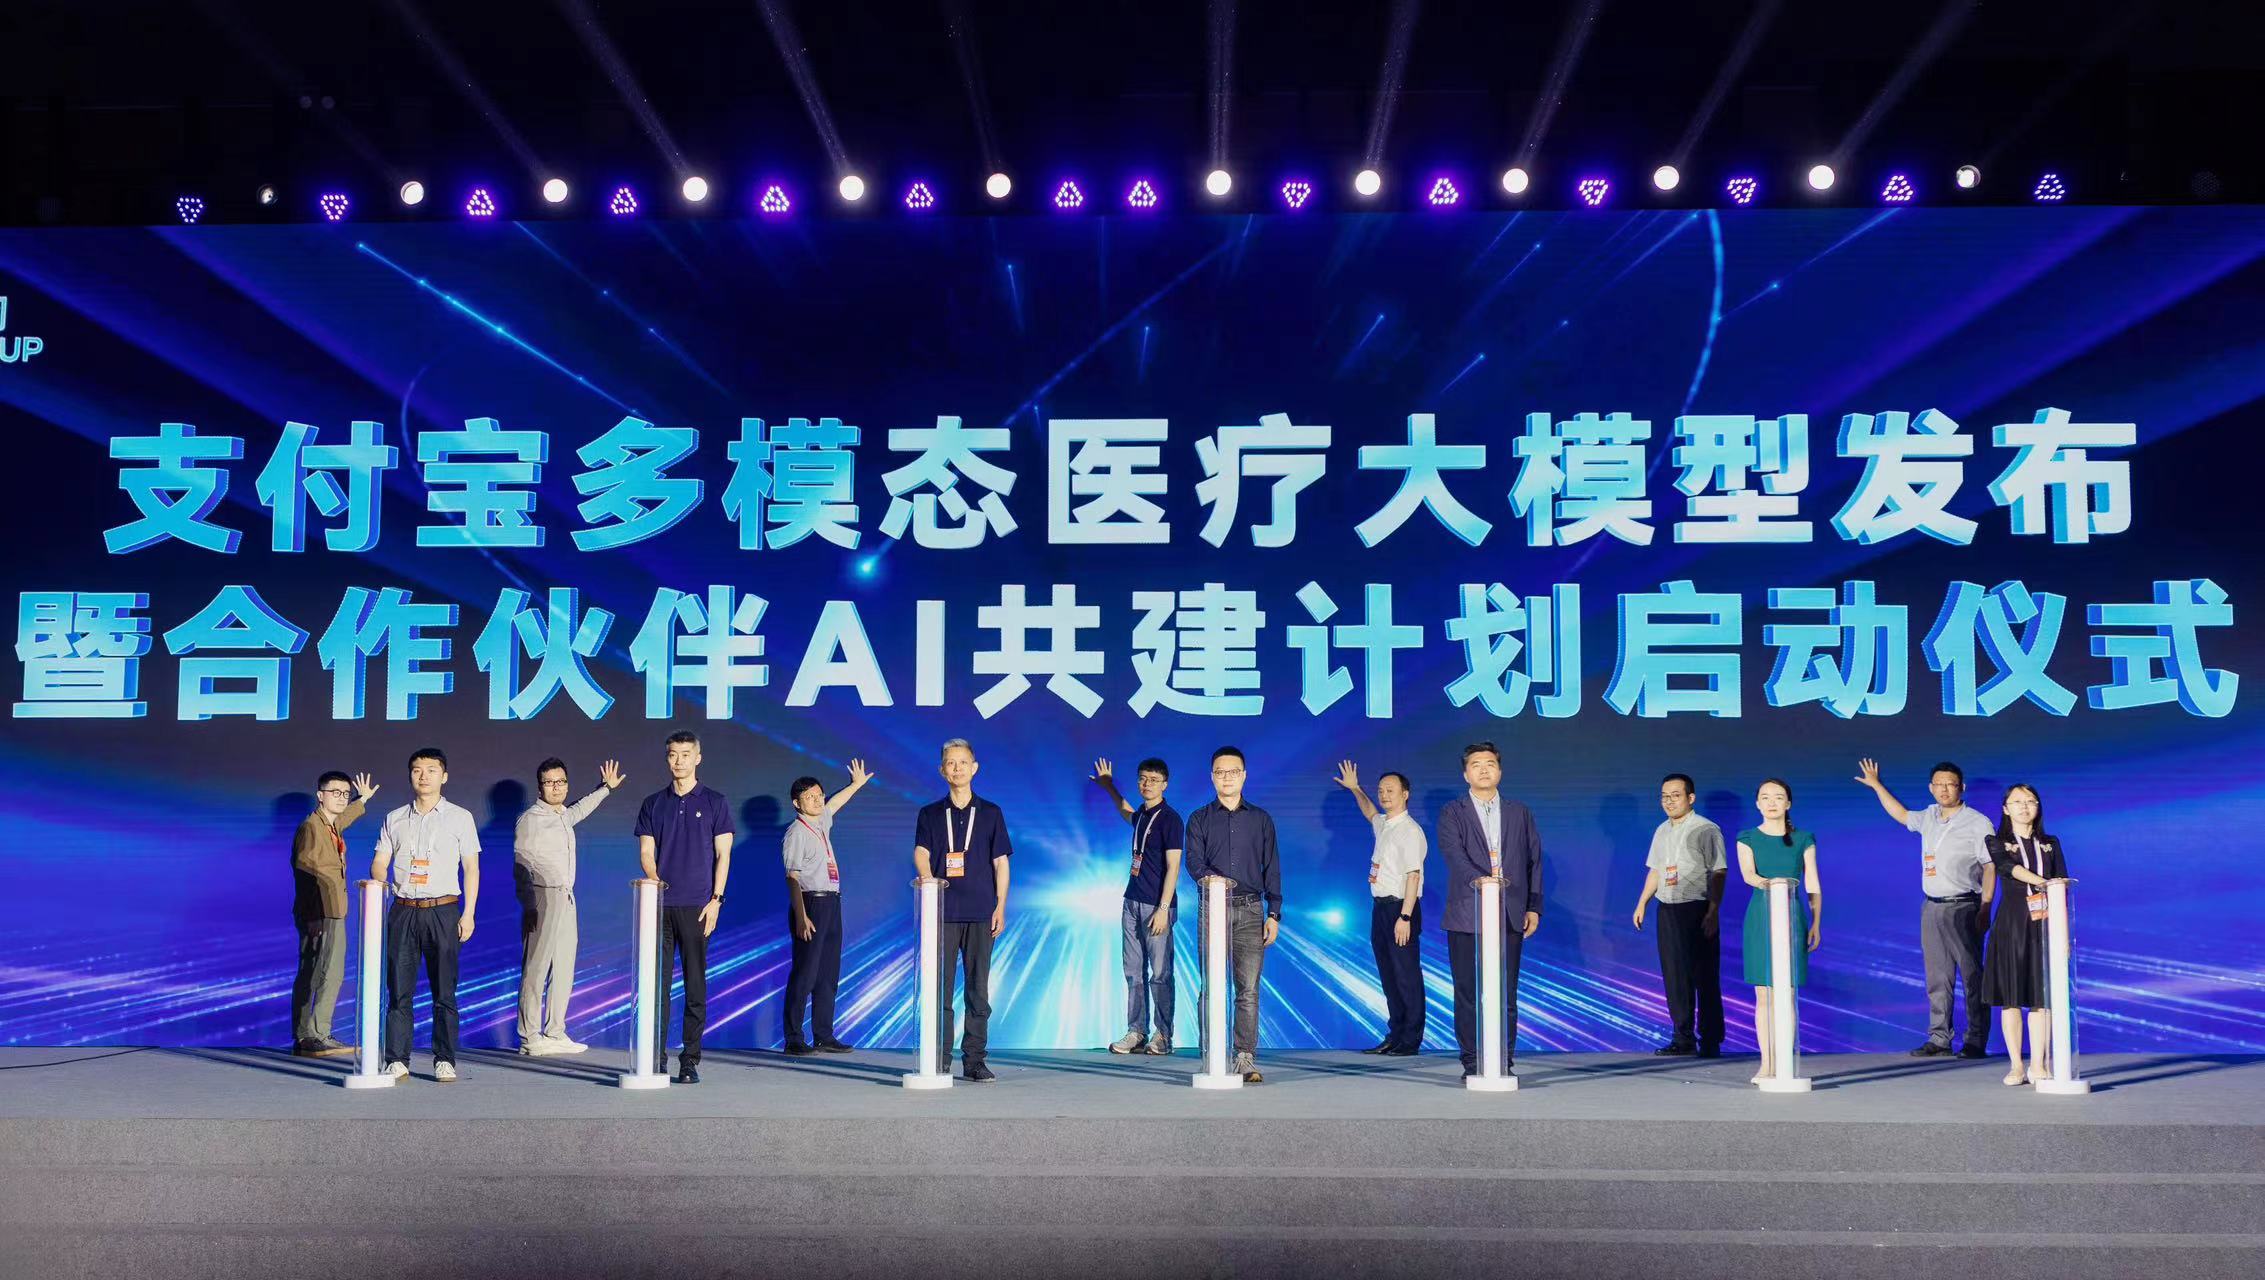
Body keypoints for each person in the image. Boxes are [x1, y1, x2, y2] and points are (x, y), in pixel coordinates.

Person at [1856, 758, 1997, 1058]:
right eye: (1939, 784)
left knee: (1972, 976)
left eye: (1951, 784)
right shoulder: (1930, 815)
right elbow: (1901, 814)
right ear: (1931, 788)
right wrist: (1877, 785)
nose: (1944, 789)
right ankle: (1939, 1038)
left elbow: (1990, 866)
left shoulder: (1978, 822)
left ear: (1961, 787)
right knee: (1937, 977)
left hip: (1964, 906)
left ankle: (1975, 1040)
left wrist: (1986, 907)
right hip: (1931, 906)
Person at [369, 747, 480, 1083]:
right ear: (410, 775)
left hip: (443, 911)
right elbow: (380, 861)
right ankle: (397, 1058)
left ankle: (444, 1059)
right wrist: (381, 879)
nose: (424, 776)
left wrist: (468, 914)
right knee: (398, 990)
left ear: (444, 776)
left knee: (444, 990)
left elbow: (471, 868)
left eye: (431, 770)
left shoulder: (460, 817)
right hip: (403, 910)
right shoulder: (394, 818)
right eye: (417, 770)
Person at [1433, 741, 1541, 1079]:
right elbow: (1453, 854)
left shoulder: (1518, 812)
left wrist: (1533, 906)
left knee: (1506, 992)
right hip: (1466, 912)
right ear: (1466, 774)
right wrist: (1479, 880)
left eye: (1490, 763)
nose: (1484, 769)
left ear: (1500, 771)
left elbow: (1533, 860)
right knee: (1467, 992)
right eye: (1476, 764)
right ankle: (1472, 1061)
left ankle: (1503, 1061)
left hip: (1509, 912)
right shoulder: (1453, 812)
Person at [635, 731, 733, 1085]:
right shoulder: (653, 803)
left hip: (698, 907)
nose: (679, 761)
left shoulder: (715, 802)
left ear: (698, 758)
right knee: (657, 986)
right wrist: (656, 883)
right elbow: (647, 852)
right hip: (660, 907)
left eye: (686, 754)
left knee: (695, 985)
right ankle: (655, 1058)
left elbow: (723, 855)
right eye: (673, 754)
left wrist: (716, 900)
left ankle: (689, 1060)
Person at [912, 738, 1012, 1082]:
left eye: (963, 762)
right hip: (941, 912)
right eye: (950, 763)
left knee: (977, 991)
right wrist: (928, 881)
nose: (957, 768)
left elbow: (1001, 863)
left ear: (974, 767)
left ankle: (974, 1061)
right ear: (942, 770)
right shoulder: (929, 813)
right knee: (939, 990)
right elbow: (922, 852)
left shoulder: (991, 813)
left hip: (982, 911)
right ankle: (938, 1060)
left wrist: (1000, 905)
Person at [512, 757, 624, 1056]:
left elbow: (580, 808)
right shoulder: (531, 819)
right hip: (542, 897)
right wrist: (529, 904)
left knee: (563, 968)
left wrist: (606, 788)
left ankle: (555, 1031)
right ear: (540, 787)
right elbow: (521, 866)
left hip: (566, 897)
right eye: (550, 782)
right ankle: (529, 1037)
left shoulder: (562, 815)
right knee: (536, 969)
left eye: (561, 782)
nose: (556, 787)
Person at [1183, 745, 1281, 1084]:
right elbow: (1193, 862)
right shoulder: (1199, 819)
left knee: (1248, 989)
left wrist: (1274, 913)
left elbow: (1272, 867)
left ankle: (1244, 1057)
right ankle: (1212, 1055)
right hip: (1212, 908)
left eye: (1233, 771)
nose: (1227, 777)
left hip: (1252, 910)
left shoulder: (1261, 819)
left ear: (1244, 775)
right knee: (1211, 986)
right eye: (1220, 772)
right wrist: (1213, 881)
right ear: (1212, 777)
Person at [781, 758, 875, 1055]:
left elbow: (835, 803)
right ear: (796, 803)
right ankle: (794, 1038)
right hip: (810, 903)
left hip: (832, 902)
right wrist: (801, 916)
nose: (818, 800)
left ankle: (823, 1034)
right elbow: (792, 878)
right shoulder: (796, 833)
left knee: (828, 974)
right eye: (809, 797)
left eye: (819, 794)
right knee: (805, 973)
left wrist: (855, 785)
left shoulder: (821, 822)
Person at [1090, 757, 1183, 1056]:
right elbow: (1125, 811)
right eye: (1142, 778)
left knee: (1160, 974)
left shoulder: (1170, 819)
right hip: (1131, 902)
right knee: (1133, 972)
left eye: (1153, 780)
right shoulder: (1143, 814)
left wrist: (1163, 908)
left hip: (1157, 906)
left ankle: (1163, 1035)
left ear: (1165, 784)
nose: (1147, 784)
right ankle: (1136, 1031)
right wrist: (1109, 787)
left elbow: (1174, 866)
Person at [1333, 760, 1426, 1056]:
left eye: (1390, 790)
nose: (1384, 795)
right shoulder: (1385, 824)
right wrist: (1355, 789)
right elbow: (1369, 812)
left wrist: (1405, 916)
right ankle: (1395, 1034)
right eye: (1381, 790)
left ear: (1405, 794)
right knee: (1389, 975)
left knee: (1406, 976)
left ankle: (1410, 1039)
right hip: (1381, 909)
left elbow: (1413, 875)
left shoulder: (1410, 831)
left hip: (1401, 909)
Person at [1630, 773, 1727, 1057]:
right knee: (1674, 975)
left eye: (1675, 795)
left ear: (1690, 798)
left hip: (1697, 907)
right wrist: (1642, 902)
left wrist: (1713, 910)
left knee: (1704, 975)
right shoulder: (1661, 830)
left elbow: (1719, 871)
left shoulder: (1706, 828)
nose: (1669, 801)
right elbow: (1656, 869)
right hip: (1668, 907)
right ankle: (1683, 1038)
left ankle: (1710, 1039)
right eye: (1664, 796)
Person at [1979, 784, 2069, 1086]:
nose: (2024, 806)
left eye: (2030, 801)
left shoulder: (2050, 843)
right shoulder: (1997, 841)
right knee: (2012, 998)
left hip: (2045, 924)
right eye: (2017, 802)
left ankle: (2039, 1065)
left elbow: (2061, 886)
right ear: (2006, 808)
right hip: (2013, 925)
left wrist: (2063, 933)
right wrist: (2044, 883)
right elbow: (2009, 869)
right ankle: (2016, 1066)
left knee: (2042, 999)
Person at [1737, 778, 1821, 1084]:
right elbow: (1748, 874)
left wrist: (1816, 922)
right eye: (1765, 797)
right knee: (1764, 994)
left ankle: (1785, 1061)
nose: (1771, 802)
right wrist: (1770, 884)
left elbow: (1812, 882)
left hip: (1792, 915)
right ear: (1757, 804)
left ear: (1788, 803)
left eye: (1778, 797)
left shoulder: (1804, 839)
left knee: (1787, 992)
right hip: (1761, 914)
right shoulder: (1747, 837)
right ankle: (1767, 1064)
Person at [289, 769, 376, 1058]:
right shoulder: (311, 827)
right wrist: (314, 916)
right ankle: (309, 1035)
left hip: (333, 909)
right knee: (318, 973)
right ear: (320, 795)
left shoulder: (330, 824)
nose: (341, 798)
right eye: (335, 793)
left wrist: (362, 800)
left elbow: (344, 818)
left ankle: (317, 1033)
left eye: (345, 794)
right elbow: (306, 873)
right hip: (320, 911)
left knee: (330, 973)